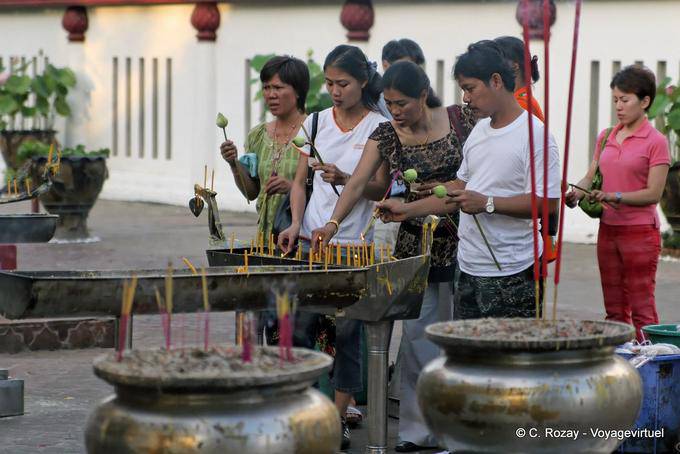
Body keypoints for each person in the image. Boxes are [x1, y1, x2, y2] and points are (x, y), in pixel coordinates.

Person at [311, 60, 475, 452]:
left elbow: (475, 178)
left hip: (466, 239)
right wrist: (333, 224)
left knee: (461, 340)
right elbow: (357, 184)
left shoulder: (460, 120)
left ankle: (461, 430)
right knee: (418, 340)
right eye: (388, 103)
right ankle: (418, 432)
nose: (395, 111)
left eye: (402, 103)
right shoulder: (387, 135)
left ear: (423, 95)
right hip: (417, 245)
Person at [378, 40, 560, 320]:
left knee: (509, 359)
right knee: (469, 358)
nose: (465, 98)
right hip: (468, 267)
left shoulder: (536, 135)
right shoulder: (479, 130)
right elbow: (460, 188)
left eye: (470, 88)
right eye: (463, 90)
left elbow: (546, 204)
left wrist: (487, 203)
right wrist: (407, 210)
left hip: (513, 271)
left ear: (496, 81)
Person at [277, 44, 387, 450]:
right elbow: (299, 182)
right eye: (329, 83)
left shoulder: (378, 126)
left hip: (352, 244)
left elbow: (376, 187)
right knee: (300, 326)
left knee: (348, 334)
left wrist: (342, 178)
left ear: (362, 82)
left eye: (343, 83)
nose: (335, 90)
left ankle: (337, 418)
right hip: (310, 242)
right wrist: (294, 222)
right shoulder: (318, 121)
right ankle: (308, 405)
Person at [566, 65, 670, 341]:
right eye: (615, 100)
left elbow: (653, 194)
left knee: (642, 308)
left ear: (645, 101)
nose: (619, 107)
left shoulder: (656, 142)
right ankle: (620, 364)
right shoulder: (607, 136)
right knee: (613, 308)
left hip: (640, 233)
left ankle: (650, 368)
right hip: (608, 230)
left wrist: (615, 196)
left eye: (625, 100)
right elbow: (591, 175)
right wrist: (576, 193)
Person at [220, 56, 308, 243]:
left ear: (298, 91)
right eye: (266, 88)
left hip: (304, 235)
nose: (271, 94)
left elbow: (328, 191)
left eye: (278, 87)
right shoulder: (258, 135)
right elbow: (251, 193)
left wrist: (292, 188)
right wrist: (234, 163)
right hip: (265, 238)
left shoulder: (314, 132)